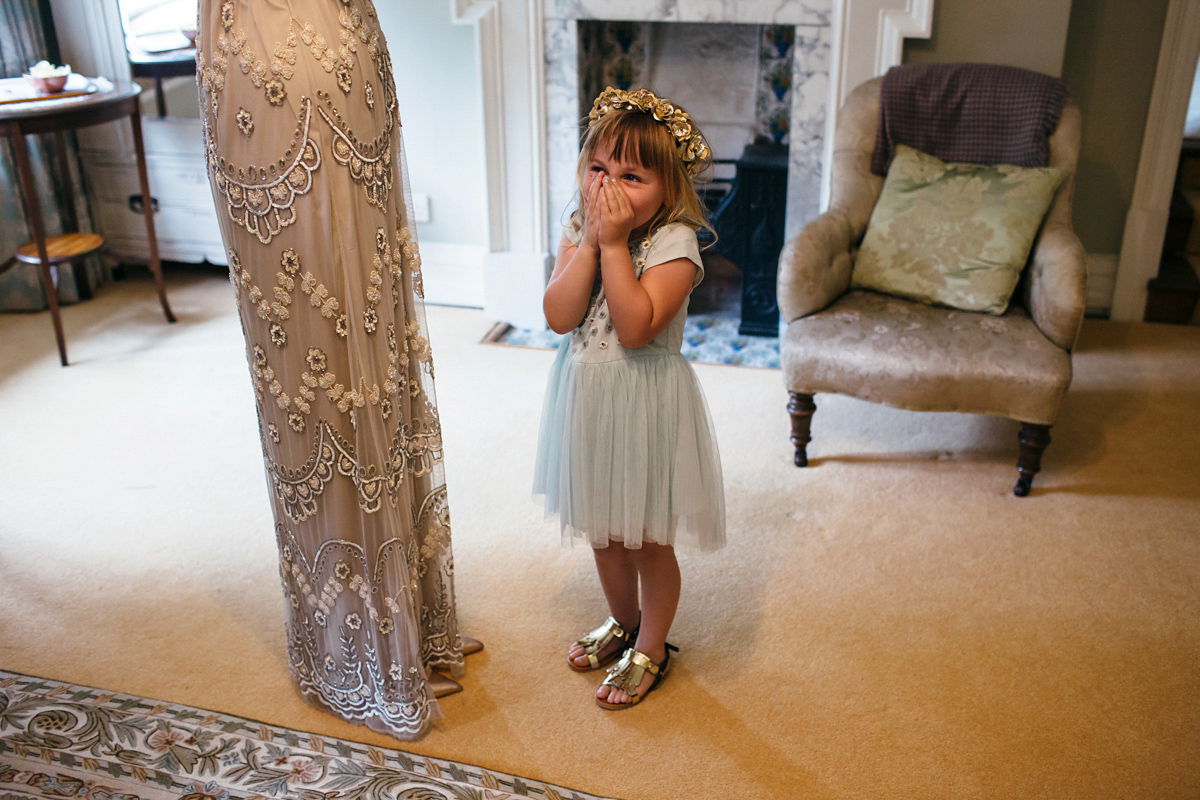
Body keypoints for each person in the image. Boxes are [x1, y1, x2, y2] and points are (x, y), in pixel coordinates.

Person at [195, 0, 478, 739]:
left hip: (299, 69)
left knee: (354, 355)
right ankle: (370, 627)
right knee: (317, 362)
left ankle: (386, 625)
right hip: (286, 72)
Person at [534, 87, 726, 710]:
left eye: (632, 175)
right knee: (603, 532)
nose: (609, 187)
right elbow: (560, 317)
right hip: (587, 403)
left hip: (645, 407)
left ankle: (654, 646)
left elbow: (637, 327)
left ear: (668, 189)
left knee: (646, 539)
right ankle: (623, 622)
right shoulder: (578, 228)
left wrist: (614, 246)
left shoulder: (674, 244)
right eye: (598, 169)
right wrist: (590, 242)